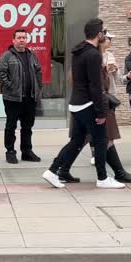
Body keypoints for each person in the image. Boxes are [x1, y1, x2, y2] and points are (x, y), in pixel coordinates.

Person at [42, 18, 125, 189]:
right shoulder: (93, 54)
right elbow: (95, 85)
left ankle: (52, 171)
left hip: (76, 103)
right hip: (88, 104)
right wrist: (101, 112)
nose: (104, 35)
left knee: (77, 141)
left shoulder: (78, 51)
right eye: (103, 32)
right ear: (99, 34)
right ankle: (102, 178)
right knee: (101, 139)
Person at [0, 29, 43, 164]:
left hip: (30, 98)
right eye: (19, 38)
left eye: (24, 37)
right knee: (11, 126)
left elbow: (38, 71)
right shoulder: (7, 56)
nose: (22, 40)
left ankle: (27, 151)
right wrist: (11, 87)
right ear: (14, 40)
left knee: (27, 126)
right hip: (13, 98)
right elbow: (1, 74)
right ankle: (10, 152)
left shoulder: (32, 55)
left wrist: (38, 87)